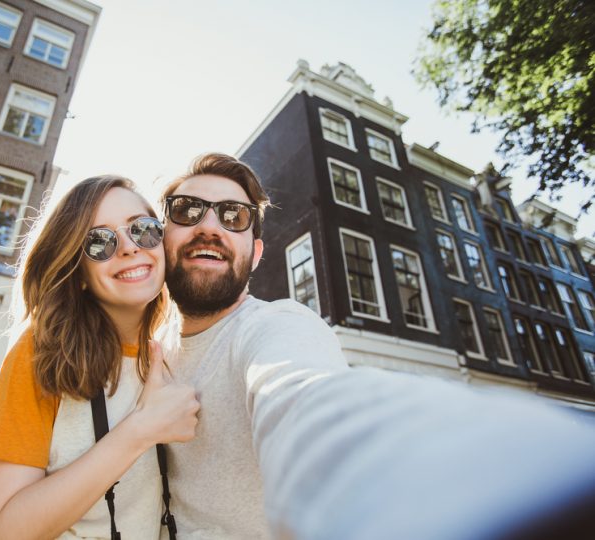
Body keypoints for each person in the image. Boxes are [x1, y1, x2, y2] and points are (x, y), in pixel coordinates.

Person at [159, 152, 595, 539]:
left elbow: (305, 400)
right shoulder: (151, 351)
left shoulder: (276, 326)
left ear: (254, 255)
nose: (209, 227)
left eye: (233, 216)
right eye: (187, 210)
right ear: (160, 238)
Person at [0, 175, 199, 540]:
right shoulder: (42, 353)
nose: (128, 248)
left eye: (143, 230)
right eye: (99, 241)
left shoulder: (174, 356)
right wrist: (141, 429)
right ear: (77, 272)